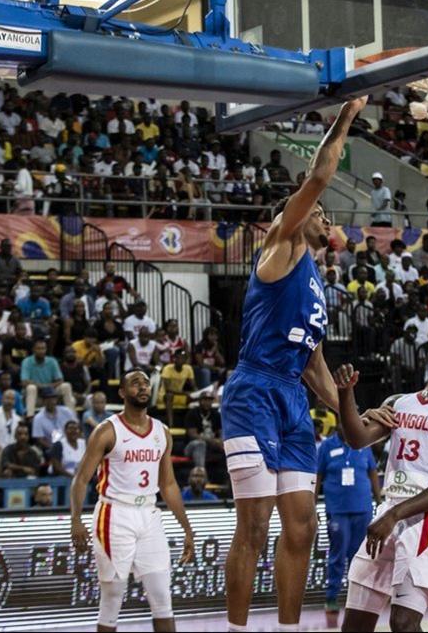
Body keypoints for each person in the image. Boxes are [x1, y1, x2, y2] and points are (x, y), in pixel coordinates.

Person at [221, 97, 366, 631]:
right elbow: (320, 177)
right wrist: (346, 116)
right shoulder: (282, 244)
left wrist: (354, 409)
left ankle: (288, 628)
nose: (325, 217)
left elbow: (315, 368)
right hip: (254, 390)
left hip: (291, 393)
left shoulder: (318, 287)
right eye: (318, 211)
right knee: (254, 526)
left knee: (302, 527)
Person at [333, 334, 428, 632]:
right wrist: (345, 394)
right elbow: (357, 439)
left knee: (403, 623)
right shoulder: (399, 402)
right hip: (391, 508)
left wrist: (393, 515)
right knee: (354, 625)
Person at [70, 370, 196, 633]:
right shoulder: (106, 431)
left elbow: (169, 484)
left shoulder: (162, 431)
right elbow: (81, 479)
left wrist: (186, 528)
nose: (142, 387)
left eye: (146, 383)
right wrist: (76, 521)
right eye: (135, 383)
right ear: (122, 392)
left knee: (163, 599)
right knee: (112, 599)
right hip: (114, 513)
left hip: (149, 514)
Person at [315, 423, 382, 613]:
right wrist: (311, 506)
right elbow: (318, 475)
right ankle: (331, 597)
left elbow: (372, 472)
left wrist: (379, 501)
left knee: (360, 555)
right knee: (338, 554)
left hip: (362, 508)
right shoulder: (327, 446)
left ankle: (358, 598)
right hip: (337, 509)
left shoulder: (363, 443)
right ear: (338, 425)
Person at [184, 389, 222, 469]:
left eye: (209, 400)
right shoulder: (192, 413)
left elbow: (221, 432)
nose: (207, 403)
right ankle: (201, 473)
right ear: (199, 401)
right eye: (205, 400)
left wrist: (221, 441)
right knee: (200, 444)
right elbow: (192, 435)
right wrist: (211, 440)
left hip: (211, 445)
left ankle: (228, 478)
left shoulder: (216, 415)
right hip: (192, 446)